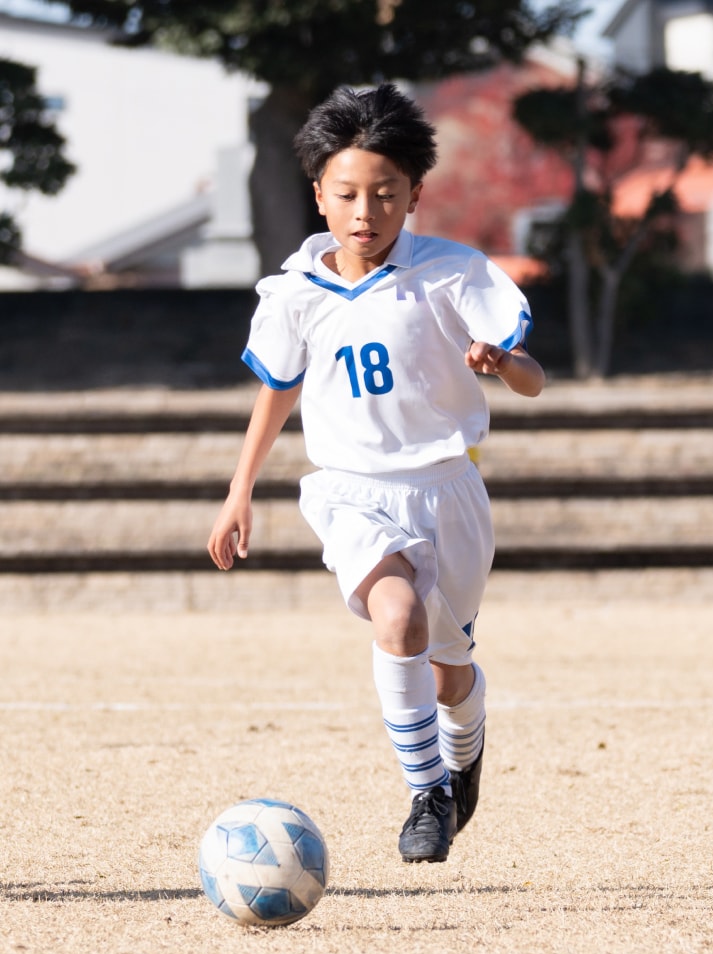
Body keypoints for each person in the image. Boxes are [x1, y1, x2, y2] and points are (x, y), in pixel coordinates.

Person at [207, 82, 545, 864]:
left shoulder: (453, 274)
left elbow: (534, 379)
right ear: (319, 193)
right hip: (350, 490)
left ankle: (465, 751)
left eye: (386, 194)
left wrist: (503, 363)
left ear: (414, 195)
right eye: (349, 193)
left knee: (449, 670)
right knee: (397, 618)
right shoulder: (295, 293)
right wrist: (239, 491)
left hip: (448, 492)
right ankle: (426, 792)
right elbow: (279, 388)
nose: (366, 212)